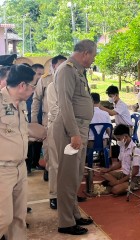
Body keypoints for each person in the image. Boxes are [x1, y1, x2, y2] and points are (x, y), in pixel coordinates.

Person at [52, 39, 96, 235]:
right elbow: (65, 104)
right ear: (85, 53)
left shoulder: (78, 70)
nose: (93, 59)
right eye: (93, 55)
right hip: (71, 129)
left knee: (76, 175)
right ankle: (65, 222)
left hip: (80, 127)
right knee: (67, 177)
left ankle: (75, 214)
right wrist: (74, 133)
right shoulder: (67, 70)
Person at [0, 64, 36, 240]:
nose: (33, 90)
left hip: (20, 167)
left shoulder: (22, 104)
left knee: (18, 218)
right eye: (32, 86)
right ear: (22, 85)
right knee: (2, 219)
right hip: (2, 170)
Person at [45, 55, 67, 210]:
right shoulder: (52, 86)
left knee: (70, 164)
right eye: (60, 66)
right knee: (55, 164)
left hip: (71, 129)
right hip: (56, 127)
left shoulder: (70, 85)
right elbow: (54, 110)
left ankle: (68, 194)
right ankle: (54, 195)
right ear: (53, 67)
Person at [101, 124, 140, 195]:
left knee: (115, 190)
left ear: (126, 136)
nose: (118, 141)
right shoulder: (122, 146)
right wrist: (108, 169)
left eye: (119, 139)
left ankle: (131, 185)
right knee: (105, 174)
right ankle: (120, 184)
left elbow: (135, 171)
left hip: (134, 178)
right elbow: (120, 163)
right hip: (124, 174)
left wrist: (119, 182)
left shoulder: (136, 150)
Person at [25, 64, 44, 175]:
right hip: (29, 118)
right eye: (38, 74)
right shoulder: (26, 86)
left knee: (38, 143)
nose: (40, 77)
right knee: (29, 144)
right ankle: (27, 167)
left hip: (40, 118)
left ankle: (35, 163)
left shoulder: (42, 85)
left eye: (42, 74)